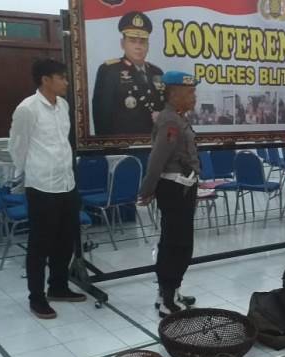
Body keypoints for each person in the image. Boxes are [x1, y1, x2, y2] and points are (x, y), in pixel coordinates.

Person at [8, 59, 85, 319]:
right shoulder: (27, 109)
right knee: (40, 244)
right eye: (61, 77)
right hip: (42, 185)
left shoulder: (63, 105)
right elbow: (17, 146)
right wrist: (27, 174)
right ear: (45, 80)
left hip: (66, 182)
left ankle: (58, 286)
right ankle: (36, 297)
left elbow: (63, 142)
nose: (66, 82)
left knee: (66, 239)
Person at [138, 71, 201, 318]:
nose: (194, 97)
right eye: (190, 92)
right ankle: (167, 300)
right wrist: (147, 189)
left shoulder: (177, 118)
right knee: (177, 245)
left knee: (175, 243)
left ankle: (169, 292)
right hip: (175, 190)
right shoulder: (170, 121)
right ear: (174, 94)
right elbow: (157, 160)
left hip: (182, 187)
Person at [92, 11, 165, 135]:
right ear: (122, 44)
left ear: (148, 45)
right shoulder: (110, 70)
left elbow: (163, 106)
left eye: (142, 41)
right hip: (124, 143)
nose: (138, 46)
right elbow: (102, 115)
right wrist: (106, 144)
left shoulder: (156, 72)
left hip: (154, 142)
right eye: (132, 41)